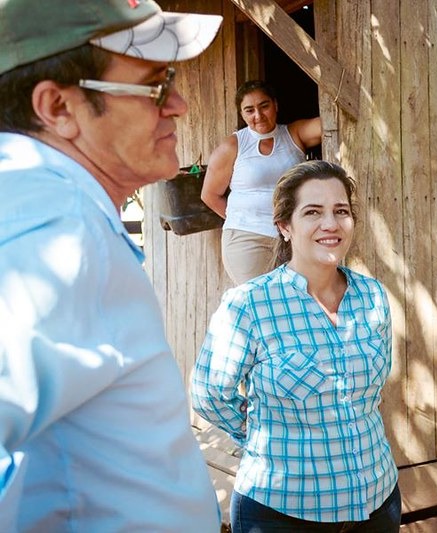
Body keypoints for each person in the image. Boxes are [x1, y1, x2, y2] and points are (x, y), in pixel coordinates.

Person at [0, 1, 223, 531]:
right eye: (155, 86)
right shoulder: (55, 222)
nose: (180, 105)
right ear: (58, 107)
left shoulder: (39, 200)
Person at [192, 160, 400, 532]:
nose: (330, 224)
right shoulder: (250, 305)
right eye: (312, 212)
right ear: (285, 226)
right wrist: (260, 435)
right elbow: (209, 393)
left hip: (376, 499)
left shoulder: (372, 297)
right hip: (283, 509)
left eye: (341, 211)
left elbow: (373, 391)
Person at [201, 80, 322, 285]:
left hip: (292, 238)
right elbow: (209, 195)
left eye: (264, 106)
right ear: (242, 114)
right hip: (247, 240)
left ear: (276, 105)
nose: (258, 115)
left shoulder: (294, 134)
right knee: (260, 301)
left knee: (292, 302)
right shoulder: (233, 145)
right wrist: (245, 219)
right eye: (249, 110)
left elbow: (327, 122)